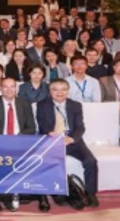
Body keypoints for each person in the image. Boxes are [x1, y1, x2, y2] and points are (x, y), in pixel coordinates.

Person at [38, 80, 101, 210]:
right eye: (55, 89)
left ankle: (90, 192)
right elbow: (42, 125)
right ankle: (58, 192)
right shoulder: (42, 105)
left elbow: (80, 127)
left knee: (91, 161)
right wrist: (50, 133)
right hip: (53, 140)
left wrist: (72, 139)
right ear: (50, 91)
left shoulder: (75, 105)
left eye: (63, 89)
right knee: (52, 162)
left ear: (68, 91)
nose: (59, 92)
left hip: (72, 140)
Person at [0, 78, 37, 212]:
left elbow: (31, 128)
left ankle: (18, 192)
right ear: (1, 88)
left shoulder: (24, 104)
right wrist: (5, 139)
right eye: (5, 87)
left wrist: (19, 138)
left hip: (20, 141)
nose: (9, 90)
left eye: (12, 86)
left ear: (16, 88)